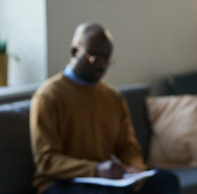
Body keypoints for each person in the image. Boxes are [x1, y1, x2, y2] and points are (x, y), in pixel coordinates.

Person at [30, 23, 179, 194]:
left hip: (103, 179)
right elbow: (46, 160)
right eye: (93, 57)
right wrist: (95, 169)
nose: (101, 65)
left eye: (106, 59)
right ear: (74, 52)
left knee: (166, 180)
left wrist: (135, 168)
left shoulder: (113, 97)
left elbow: (127, 147)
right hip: (60, 183)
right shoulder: (48, 96)